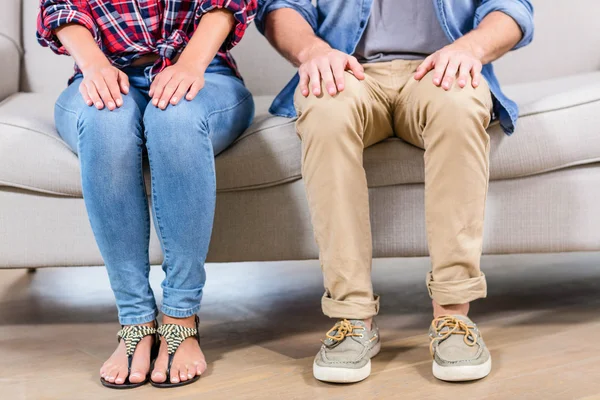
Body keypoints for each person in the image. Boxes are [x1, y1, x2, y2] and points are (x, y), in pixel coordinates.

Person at [256, 0, 533, 383]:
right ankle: (352, 319)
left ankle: (453, 316)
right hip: (348, 71)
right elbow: (281, 8)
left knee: (460, 104)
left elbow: (512, 8)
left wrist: (469, 48)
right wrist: (314, 52)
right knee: (325, 110)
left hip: (440, 70)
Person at [37, 0, 257, 389]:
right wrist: (95, 66)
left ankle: (180, 318)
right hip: (103, 71)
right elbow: (60, 9)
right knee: (106, 122)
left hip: (205, 70)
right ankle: (135, 319)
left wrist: (190, 65)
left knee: (176, 117)